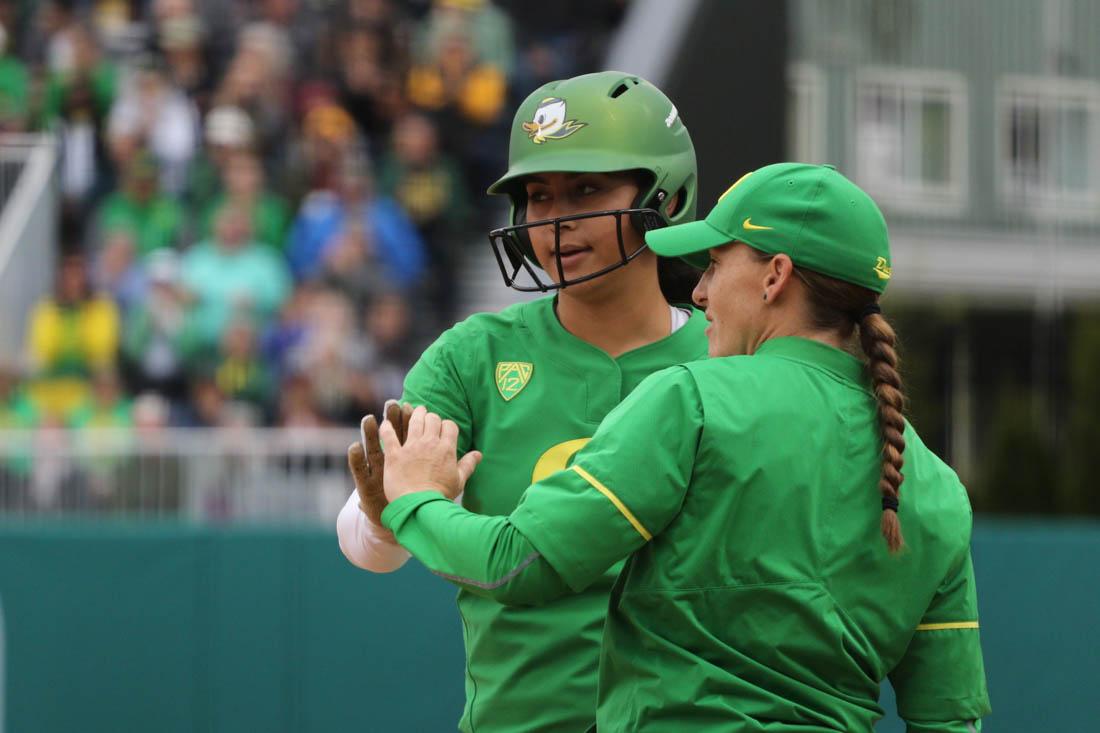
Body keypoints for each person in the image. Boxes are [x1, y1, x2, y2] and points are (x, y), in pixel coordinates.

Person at [374, 163, 992, 732]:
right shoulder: (936, 487)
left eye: (716, 265)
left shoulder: (692, 399)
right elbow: (950, 719)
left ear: (775, 276)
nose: (699, 293)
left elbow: (520, 563)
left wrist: (414, 500)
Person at [336, 71, 703, 732]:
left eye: (586, 189)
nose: (555, 220)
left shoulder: (731, 353)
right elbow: (367, 545)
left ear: (664, 194)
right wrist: (385, 515)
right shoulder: (470, 355)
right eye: (537, 195)